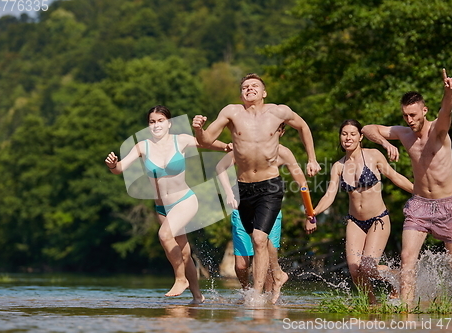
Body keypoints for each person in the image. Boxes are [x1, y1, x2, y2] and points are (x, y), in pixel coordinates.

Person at [192, 73, 321, 303]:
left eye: (254, 86)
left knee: (261, 239)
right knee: (257, 240)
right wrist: (198, 130)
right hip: (243, 188)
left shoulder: (278, 112)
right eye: (244, 86)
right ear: (240, 93)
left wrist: (312, 158)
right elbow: (205, 141)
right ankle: (277, 274)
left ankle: (257, 296)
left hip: (269, 186)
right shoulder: (231, 112)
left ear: (264, 92)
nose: (249, 89)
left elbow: (303, 126)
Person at [361, 69, 452, 308]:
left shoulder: (438, 131)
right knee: (407, 258)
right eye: (405, 115)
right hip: (418, 205)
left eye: (413, 114)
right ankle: (406, 309)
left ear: (424, 111)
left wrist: (449, 92)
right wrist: (386, 143)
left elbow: (446, 111)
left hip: (446, 205)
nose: (409, 119)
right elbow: (367, 128)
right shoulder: (403, 134)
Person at [105, 105, 230, 304]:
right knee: (184, 251)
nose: (156, 125)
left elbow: (204, 143)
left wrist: (226, 147)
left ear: (169, 123)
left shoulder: (179, 140)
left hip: (185, 200)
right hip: (162, 207)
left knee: (164, 234)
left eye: (160, 120)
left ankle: (180, 279)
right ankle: (198, 297)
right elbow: (120, 169)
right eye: (152, 121)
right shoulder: (142, 146)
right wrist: (112, 164)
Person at [310, 119, 413, 304]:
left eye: (352, 134)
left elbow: (395, 176)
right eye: (344, 134)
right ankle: (373, 305)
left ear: (360, 137)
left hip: (378, 220)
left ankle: (397, 277)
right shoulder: (338, 166)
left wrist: (419, 191)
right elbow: (329, 195)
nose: (348, 138)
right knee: (354, 269)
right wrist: (312, 213)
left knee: (368, 267)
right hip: (355, 221)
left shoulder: (373, 155)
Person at [216, 123, 316, 294]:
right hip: (243, 204)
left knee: (262, 249)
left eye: (275, 130)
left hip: (269, 206)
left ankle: (265, 298)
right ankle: (248, 293)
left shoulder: (284, 153)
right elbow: (220, 167)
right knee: (241, 265)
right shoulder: (247, 147)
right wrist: (229, 193)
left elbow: (302, 183)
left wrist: (310, 215)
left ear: (281, 132)